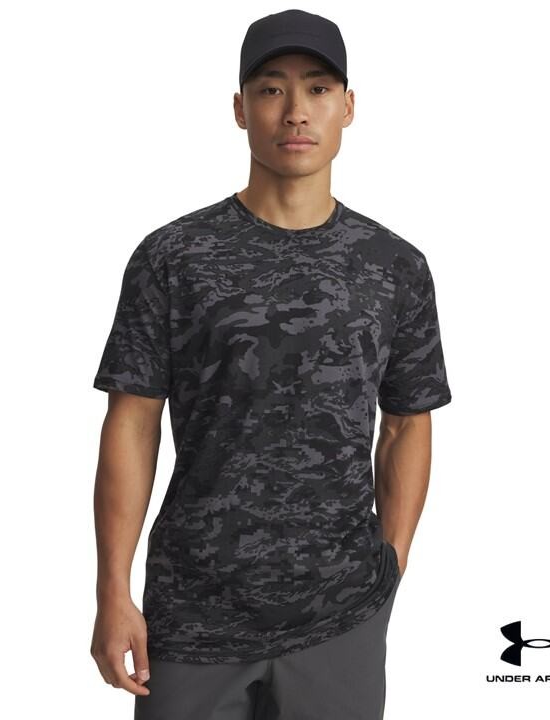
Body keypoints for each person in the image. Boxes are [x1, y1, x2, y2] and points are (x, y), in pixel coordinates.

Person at [90, 8, 452, 719]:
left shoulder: (394, 267)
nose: (295, 111)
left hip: (340, 614)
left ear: (348, 106)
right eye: (270, 89)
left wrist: (391, 563)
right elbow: (131, 424)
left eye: (318, 88)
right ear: (240, 109)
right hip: (193, 613)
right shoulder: (174, 257)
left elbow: (408, 422)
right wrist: (112, 591)